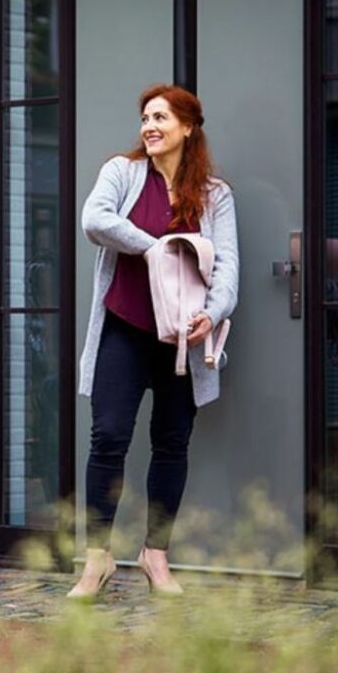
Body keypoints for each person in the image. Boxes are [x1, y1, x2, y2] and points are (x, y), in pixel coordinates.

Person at [67, 84, 239, 599]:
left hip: (184, 338)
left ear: (188, 127)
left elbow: (228, 265)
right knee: (109, 436)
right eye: (145, 117)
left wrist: (213, 313)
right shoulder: (122, 172)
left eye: (161, 117)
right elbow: (94, 221)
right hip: (124, 325)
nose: (150, 126)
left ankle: (154, 555)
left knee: (171, 444)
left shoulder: (215, 195)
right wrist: (158, 249)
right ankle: (96, 559)